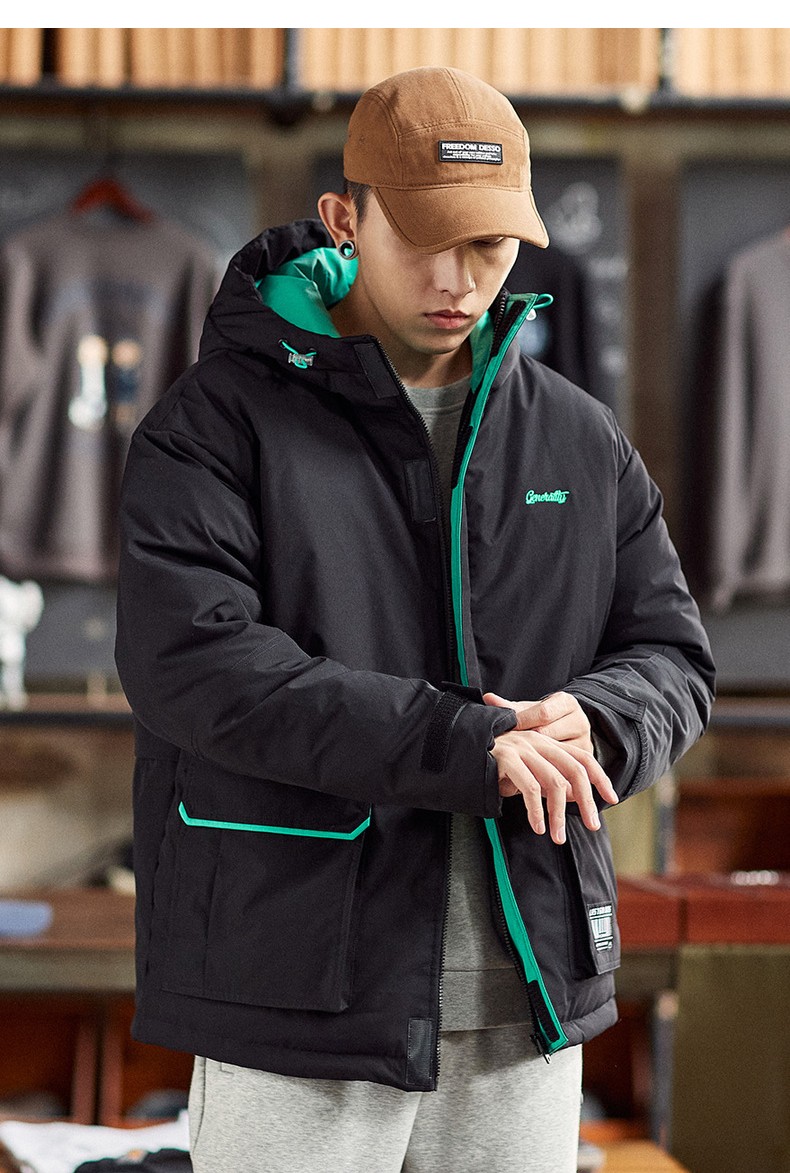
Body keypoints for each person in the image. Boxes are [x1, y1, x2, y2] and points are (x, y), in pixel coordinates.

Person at [115, 66, 715, 1173]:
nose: (456, 279)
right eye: (426, 240)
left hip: (527, 995)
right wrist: (465, 742)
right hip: (294, 994)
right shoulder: (213, 427)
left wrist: (601, 721)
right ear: (344, 219)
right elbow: (194, 664)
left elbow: (671, 655)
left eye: (488, 246)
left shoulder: (578, 439)